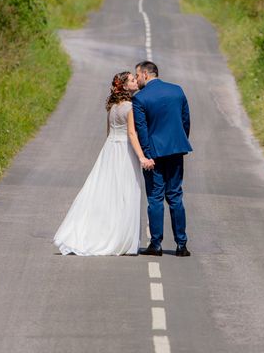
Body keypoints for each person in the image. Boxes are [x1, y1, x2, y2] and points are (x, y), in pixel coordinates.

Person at [53, 72, 151, 256]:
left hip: (110, 150)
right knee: (124, 192)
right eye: (131, 80)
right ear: (123, 86)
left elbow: (109, 133)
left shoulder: (112, 106)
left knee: (106, 191)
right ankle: (120, 238)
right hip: (124, 150)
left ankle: (104, 231)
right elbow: (132, 134)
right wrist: (141, 157)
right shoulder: (130, 107)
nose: (135, 82)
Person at [132, 61, 192, 257]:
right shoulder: (177, 91)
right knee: (175, 196)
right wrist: (178, 142)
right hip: (176, 150)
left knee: (155, 198)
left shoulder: (140, 98)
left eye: (138, 76)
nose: (137, 79)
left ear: (146, 75)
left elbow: (142, 130)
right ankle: (181, 245)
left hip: (155, 154)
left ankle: (156, 244)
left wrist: (146, 155)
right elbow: (185, 120)